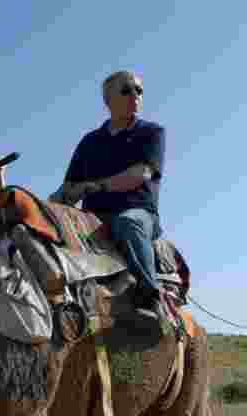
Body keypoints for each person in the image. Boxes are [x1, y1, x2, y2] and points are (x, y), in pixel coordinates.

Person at [50, 70, 166, 319]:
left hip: (139, 214)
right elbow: (68, 190)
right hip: (92, 219)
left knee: (128, 221)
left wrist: (97, 186)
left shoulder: (152, 133)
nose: (135, 95)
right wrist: (41, 209)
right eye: (127, 90)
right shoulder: (89, 142)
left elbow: (141, 174)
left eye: (139, 90)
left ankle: (150, 297)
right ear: (108, 101)